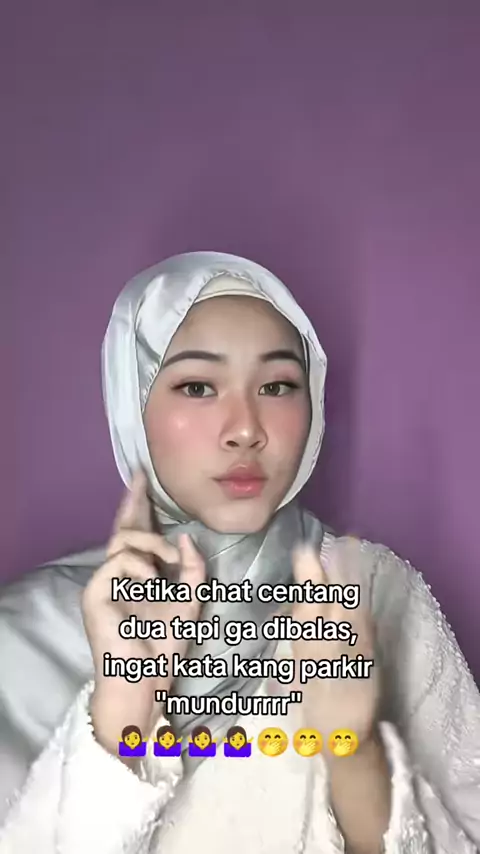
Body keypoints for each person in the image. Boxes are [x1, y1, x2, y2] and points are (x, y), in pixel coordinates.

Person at [0, 251, 479, 853]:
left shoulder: (379, 593)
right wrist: (120, 722)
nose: (247, 428)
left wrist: (355, 755)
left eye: (277, 386)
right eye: (198, 387)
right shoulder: (25, 633)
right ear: (131, 402)